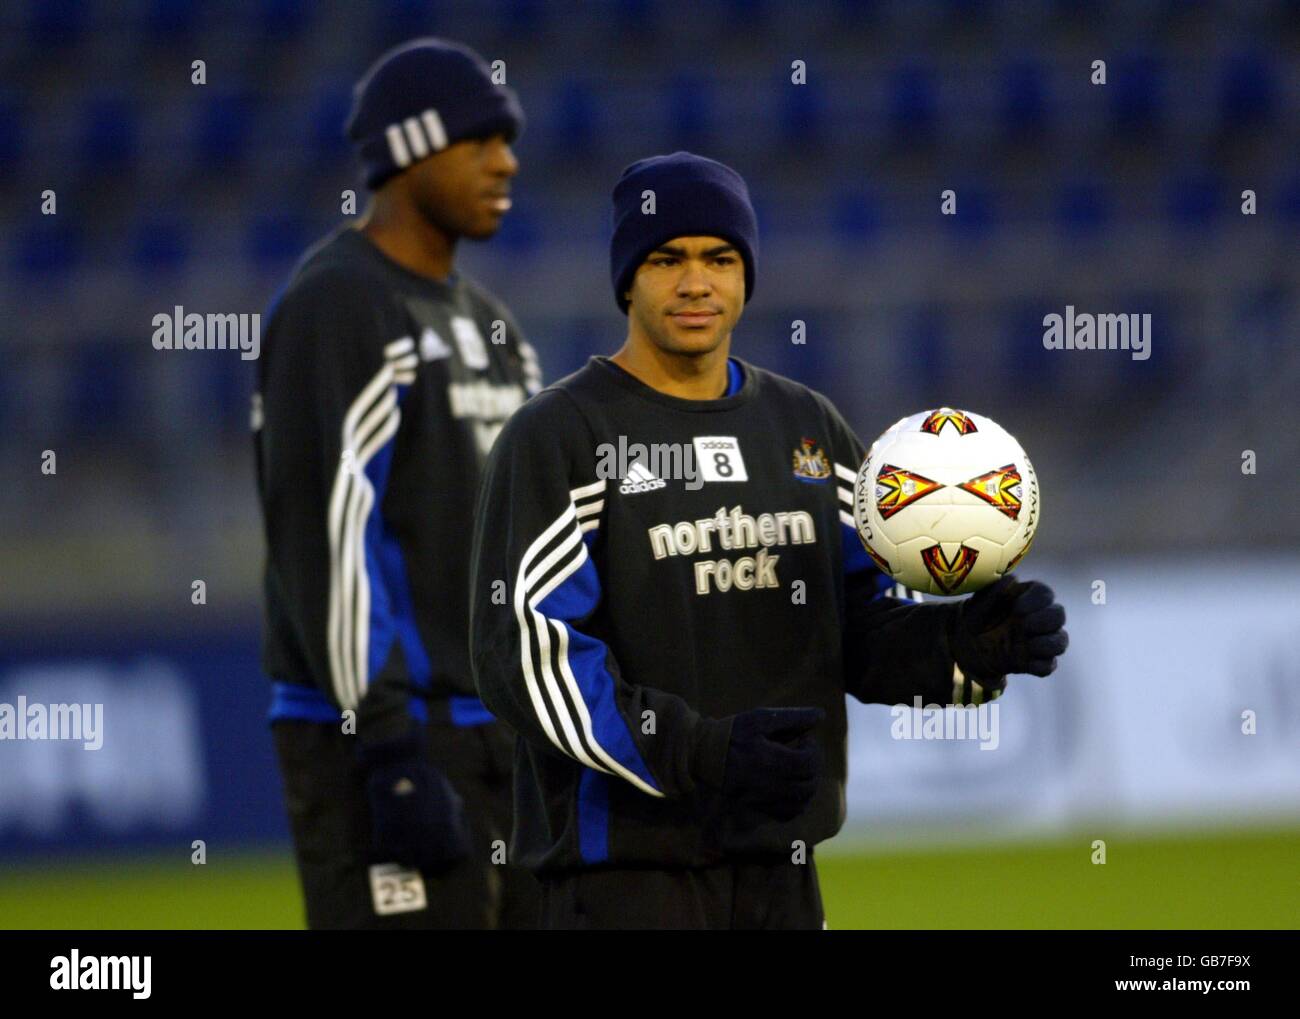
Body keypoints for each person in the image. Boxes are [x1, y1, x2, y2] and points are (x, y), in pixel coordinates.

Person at [468, 151, 1067, 930]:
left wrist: (966, 644)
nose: (695, 283)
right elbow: (523, 652)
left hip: (780, 871)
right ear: (627, 279)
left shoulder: (806, 427)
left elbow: (857, 630)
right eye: (665, 259)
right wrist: (698, 753)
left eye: (719, 258)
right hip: (624, 879)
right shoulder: (562, 435)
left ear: (746, 273)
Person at [254, 37, 540, 929]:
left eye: (509, 141)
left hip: (498, 739)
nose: (507, 161)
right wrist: (386, 747)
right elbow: (330, 531)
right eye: (480, 140)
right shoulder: (338, 303)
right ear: (410, 151)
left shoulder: (493, 326)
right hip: (385, 739)